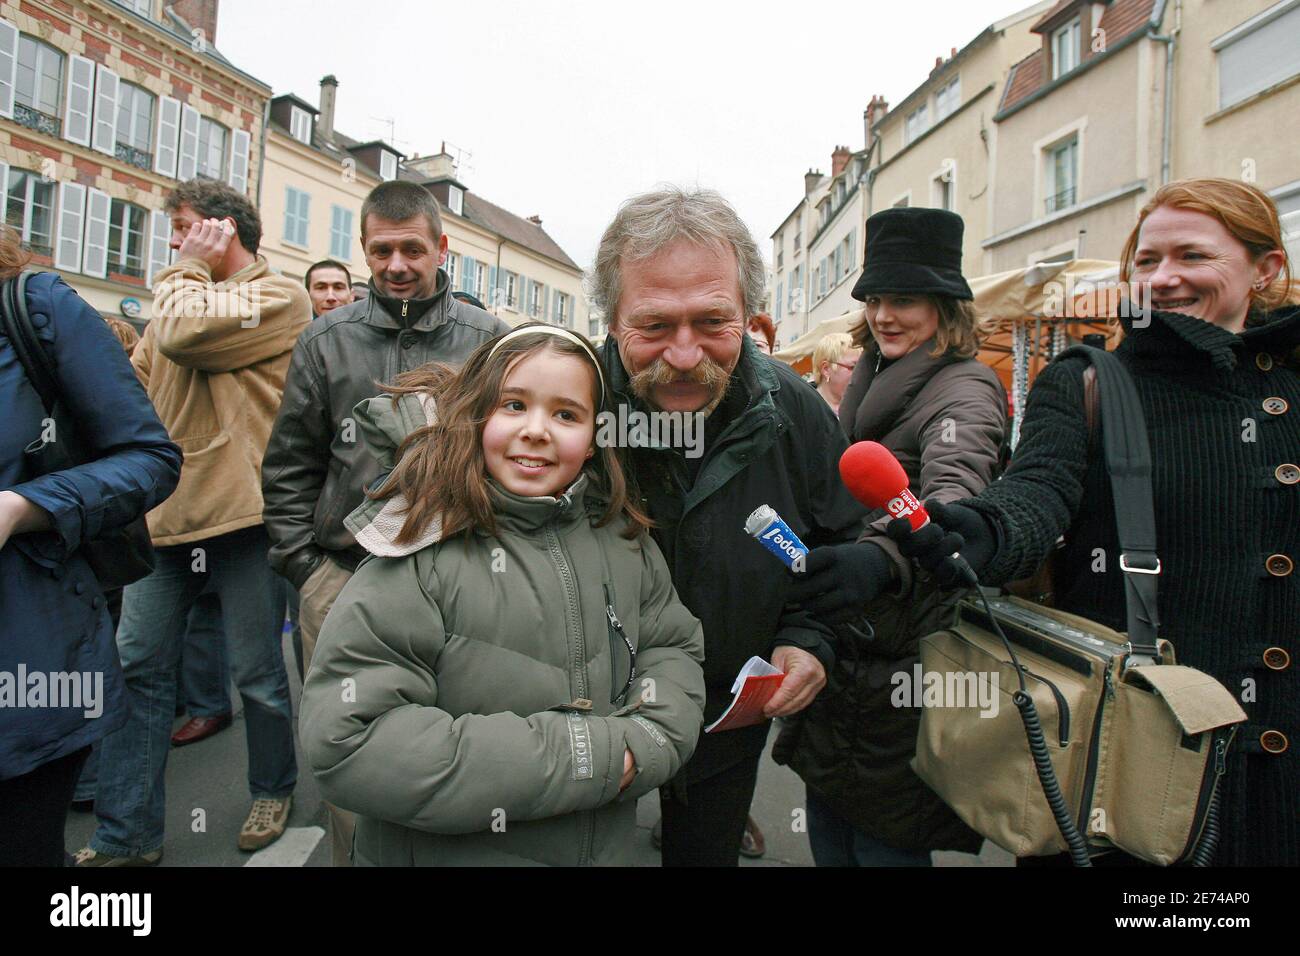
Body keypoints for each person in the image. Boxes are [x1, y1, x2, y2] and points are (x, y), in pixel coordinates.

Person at [897, 178, 1299, 867]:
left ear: (1265, 270)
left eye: (1192, 257)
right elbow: (1034, 493)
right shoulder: (1089, 381)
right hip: (1134, 761)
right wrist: (975, 532)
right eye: (1146, 261)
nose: (1163, 278)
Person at [299, 325, 707, 865]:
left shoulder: (625, 541)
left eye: (566, 414)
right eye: (514, 405)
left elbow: (671, 649)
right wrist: (587, 756)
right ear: (477, 416)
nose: (536, 430)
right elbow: (350, 739)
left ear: (593, 441)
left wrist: (653, 737)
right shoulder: (418, 551)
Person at [591, 187, 870, 866]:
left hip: (725, 720)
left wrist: (811, 640)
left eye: (712, 322)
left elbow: (842, 546)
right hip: (584, 714)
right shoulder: (571, 401)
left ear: (748, 315)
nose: (685, 355)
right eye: (654, 326)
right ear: (612, 318)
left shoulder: (795, 409)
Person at [262, 179, 508, 865]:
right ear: (363, 251)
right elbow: (289, 462)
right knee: (347, 753)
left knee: (452, 743)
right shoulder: (323, 340)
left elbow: (509, 459)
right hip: (341, 580)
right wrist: (306, 572)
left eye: (411, 248)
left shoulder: (488, 339)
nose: (396, 264)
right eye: (381, 250)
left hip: (456, 583)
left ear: (441, 247)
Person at [77, 178, 309, 866]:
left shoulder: (279, 297)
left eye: (183, 227)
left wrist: (185, 270)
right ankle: (128, 834)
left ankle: (273, 788)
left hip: (244, 515)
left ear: (222, 229)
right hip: (168, 519)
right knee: (136, 666)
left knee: (259, 675)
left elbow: (179, 336)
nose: (173, 242)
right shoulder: (182, 293)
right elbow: (138, 389)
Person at [773, 207, 1008, 866]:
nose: (882, 314)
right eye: (874, 298)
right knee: (832, 826)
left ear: (945, 306)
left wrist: (876, 560)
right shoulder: (872, 375)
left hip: (906, 662)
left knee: (884, 843)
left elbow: (954, 495)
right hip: (848, 650)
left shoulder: (966, 389)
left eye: (902, 299)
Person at [0, 229, 182, 866]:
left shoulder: (34, 306)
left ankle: (127, 834)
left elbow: (149, 456)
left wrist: (25, 508)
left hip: (28, 657)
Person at [810, 331, 862, 416]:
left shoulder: (865, 407)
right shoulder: (804, 409)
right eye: (853, 367)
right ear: (826, 369)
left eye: (862, 367)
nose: (860, 374)